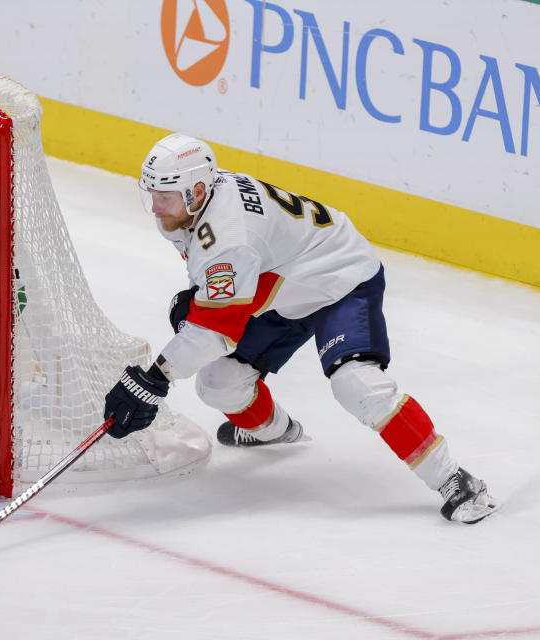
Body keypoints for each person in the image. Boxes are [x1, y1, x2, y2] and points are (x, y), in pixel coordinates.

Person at [103, 133, 500, 525]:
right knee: (218, 382)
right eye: (151, 192)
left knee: (356, 384)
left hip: (341, 280)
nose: (155, 206)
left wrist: (154, 378)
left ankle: (455, 480)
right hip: (284, 284)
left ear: (198, 189)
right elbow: (221, 301)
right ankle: (273, 431)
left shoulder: (227, 235)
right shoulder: (190, 209)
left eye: (165, 195)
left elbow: (216, 329)